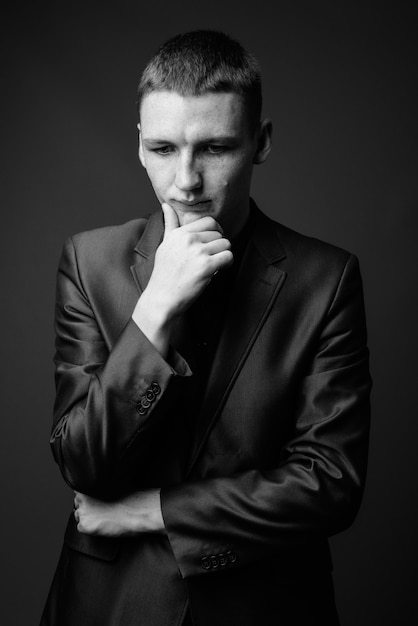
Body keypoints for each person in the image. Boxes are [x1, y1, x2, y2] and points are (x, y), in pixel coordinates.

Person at [40, 30, 371, 626]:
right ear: (139, 146)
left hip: (265, 606)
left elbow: (329, 484)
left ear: (260, 142)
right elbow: (83, 464)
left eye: (214, 148)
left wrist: (154, 511)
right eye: (164, 149)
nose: (186, 181)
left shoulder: (328, 278)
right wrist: (156, 309)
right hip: (108, 607)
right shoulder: (88, 263)